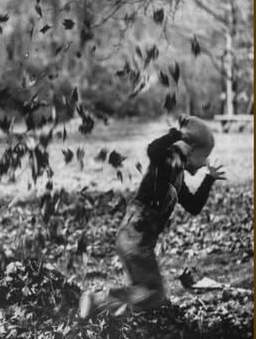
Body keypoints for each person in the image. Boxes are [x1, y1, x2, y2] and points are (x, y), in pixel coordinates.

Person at [78, 115, 226, 320]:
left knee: (144, 293)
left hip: (136, 241)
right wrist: (176, 135)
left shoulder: (177, 179)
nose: (205, 162)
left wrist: (209, 178)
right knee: (153, 294)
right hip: (135, 240)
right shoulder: (165, 166)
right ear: (189, 149)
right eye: (204, 156)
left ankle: (107, 312)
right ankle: (97, 301)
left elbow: (193, 206)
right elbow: (153, 150)